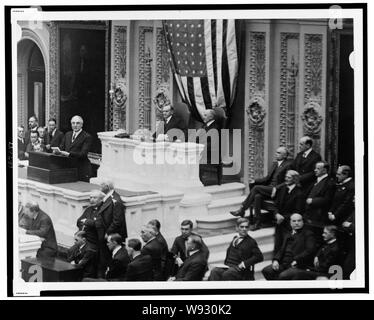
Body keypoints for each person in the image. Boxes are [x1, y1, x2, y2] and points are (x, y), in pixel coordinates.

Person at [230, 147, 293, 229]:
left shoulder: (288, 165)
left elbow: (288, 181)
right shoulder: (275, 164)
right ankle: (258, 222)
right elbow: (267, 178)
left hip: (279, 191)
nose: (276, 154)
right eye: (276, 152)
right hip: (269, 189)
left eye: (278, 153)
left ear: (284, 155)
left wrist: (276, 188)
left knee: (256, 188)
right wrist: (255, 180)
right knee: (257, 197)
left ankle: (242, 209)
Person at [262, 213, 316, 280]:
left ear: (302, 222)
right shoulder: (288, 233)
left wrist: (297, 260)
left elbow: (310, 251)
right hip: (283, 263)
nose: (296, 223)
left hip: (297, 264)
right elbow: (282, 249)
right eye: (294, 221)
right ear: (290, 223)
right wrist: (276, 260)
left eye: (299, 221)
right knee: (266, 271)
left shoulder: (308, 234)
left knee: (282, 276)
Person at [273, 170, 305, 254]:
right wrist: (276, 214)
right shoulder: (283, 189)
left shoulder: (299, 193)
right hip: (279, 222)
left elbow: (298, 211)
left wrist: (283, 217)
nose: (286, 179)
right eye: (286, 177)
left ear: (294, 179)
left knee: (285, 246)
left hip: (290, 224)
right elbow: (276, 205)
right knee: (277, 244)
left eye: (289, 177)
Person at [304, 161, 336, 243]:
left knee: (315, 238)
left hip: (318, 216)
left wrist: (313, 201)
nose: (315, 170)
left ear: (324, 170)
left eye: (318, 168)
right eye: (315, 168)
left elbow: (328, 199)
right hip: (309, 214)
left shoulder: (329, 182)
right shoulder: (315, 180)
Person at [57, 115, 93, 182]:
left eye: (77, 123)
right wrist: (57, 151)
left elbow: (83, 154)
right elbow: (61, 147)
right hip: (68, 168)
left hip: (81, 169)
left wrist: (69, 154)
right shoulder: (67, 134)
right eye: (73, 123)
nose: (75, 125)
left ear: (82, 124)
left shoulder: (87, 136)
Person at [197, 108, 224, 185]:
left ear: (211, 117)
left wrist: (201, 148)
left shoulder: (216, 127)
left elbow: (213, 144)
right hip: (204, 151)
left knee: (194, 159)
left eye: (205, 115)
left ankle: (199, 182)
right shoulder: (204, 126)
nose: (203, 117)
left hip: (211, 153)